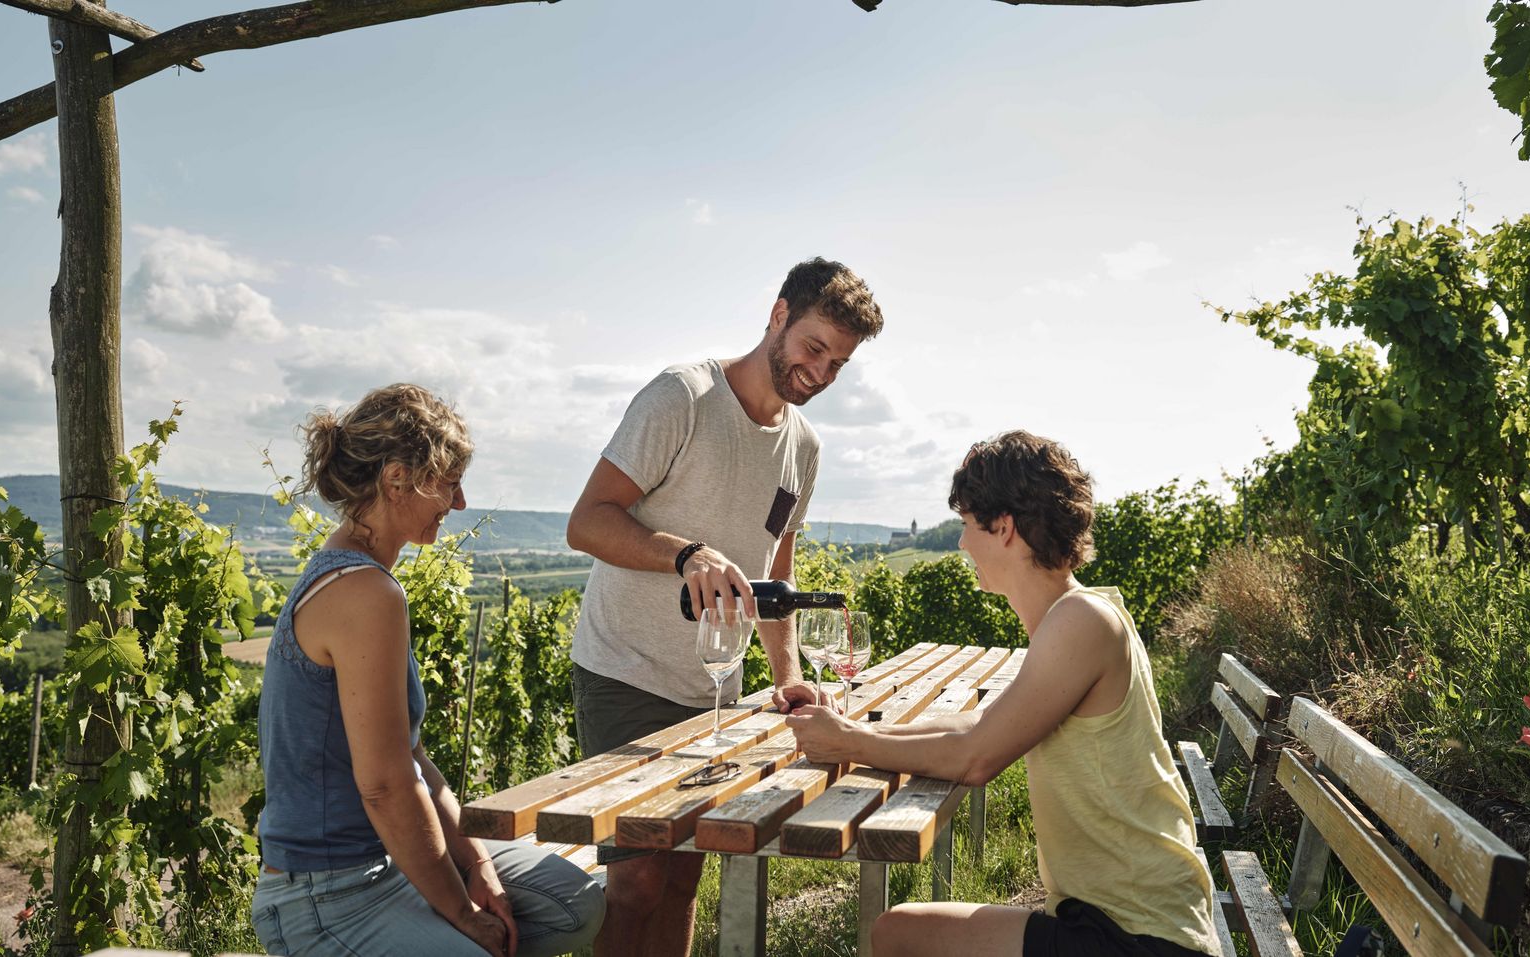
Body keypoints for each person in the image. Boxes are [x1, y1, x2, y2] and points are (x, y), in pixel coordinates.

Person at [786, 431, 1224, 957]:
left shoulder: (1080, 622)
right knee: (898, 931)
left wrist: (851, 746)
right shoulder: (1074, 615)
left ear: (1005, 529)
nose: (962, 543)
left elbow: (976, 759)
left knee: (899, 936)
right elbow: (978, 727)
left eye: (969, 524)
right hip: (1118, 918)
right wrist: (858, 731)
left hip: (1142, 937)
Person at [565, 257, 885, 956]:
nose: (821, 373)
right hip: (627, 671)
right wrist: (685, 553)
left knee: (684, 878)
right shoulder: (682, 397)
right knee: (637, 882)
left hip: (716, 685)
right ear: (777, 315)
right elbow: (586, 520)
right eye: (813, 348)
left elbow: (778, 578)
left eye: (838, 362)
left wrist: (785, 674)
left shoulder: (804, 446)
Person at [252, 383, 604, 957]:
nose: (459, 502)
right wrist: (463, 914)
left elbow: (410, 759)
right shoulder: (363, 592)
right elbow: (386, 788)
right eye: (449, 481)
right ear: (397, 479)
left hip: (390, 861)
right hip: (328, 896)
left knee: (574, 903)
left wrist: (477, 862)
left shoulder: (362, 577)